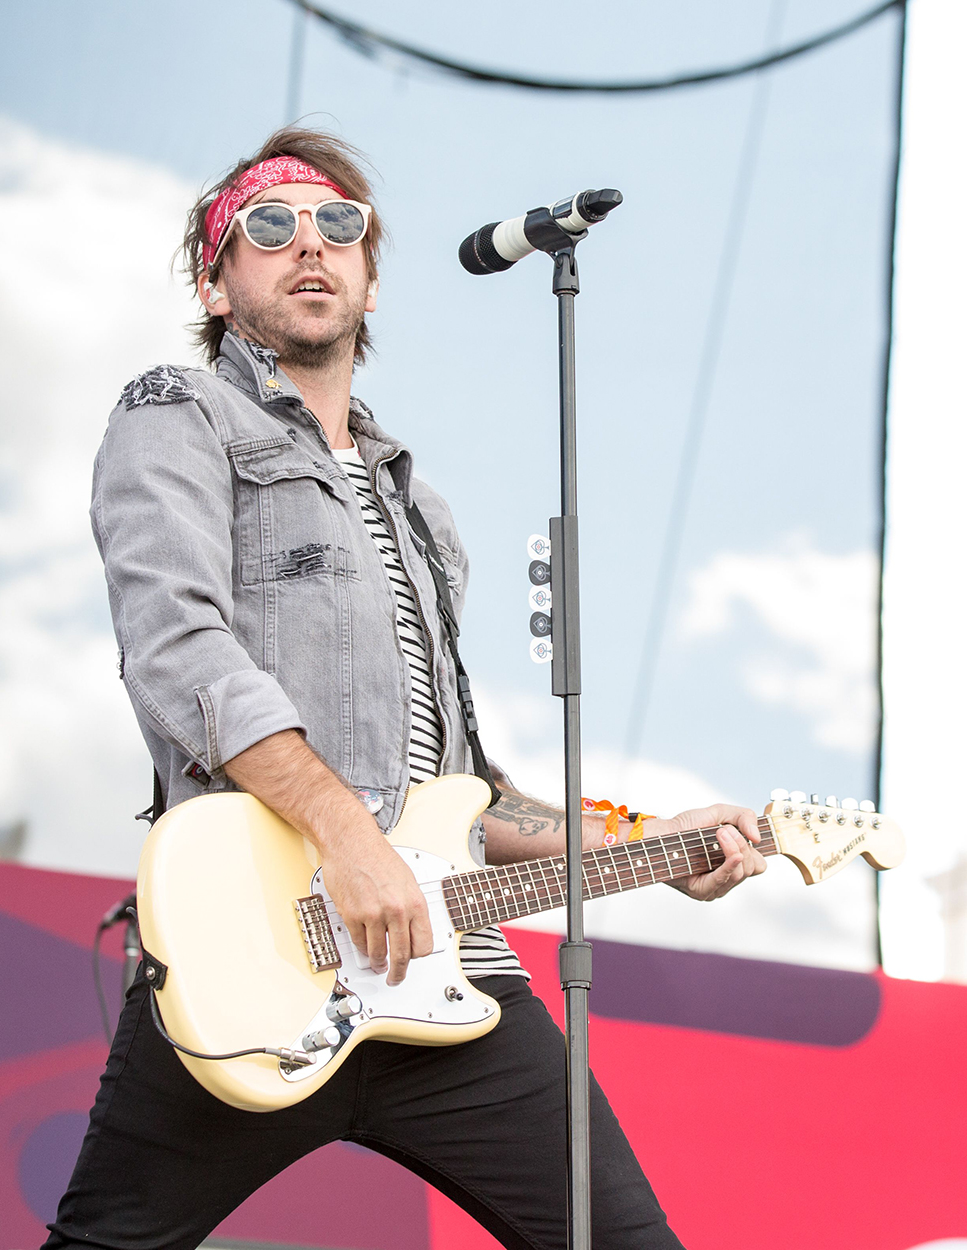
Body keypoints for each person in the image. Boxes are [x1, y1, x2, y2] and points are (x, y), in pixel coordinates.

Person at [42, 127, 766, 1250]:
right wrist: (342, 830)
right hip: (259, 957)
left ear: (372, 277)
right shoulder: (177, 411)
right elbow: (177, 649)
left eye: (341, 227)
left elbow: (464, 786)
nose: (310, 246)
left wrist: (646, 839)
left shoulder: (418, 509)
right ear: (216, 279)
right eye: (268, 227)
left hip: (451, 978)